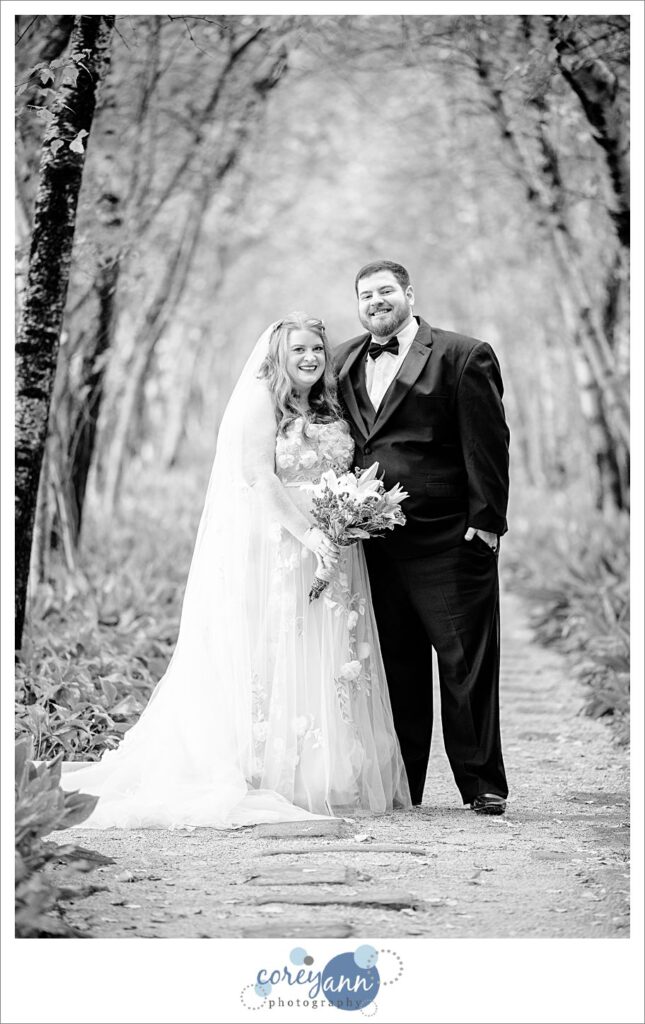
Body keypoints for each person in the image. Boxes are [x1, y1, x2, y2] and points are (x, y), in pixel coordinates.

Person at [60, 312, 411, 827]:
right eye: (299, 350)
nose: (311, 357)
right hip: (283, 542)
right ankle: (268, 771)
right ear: (278, 356)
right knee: (276, 643)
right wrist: (308, 534)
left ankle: (325, 772)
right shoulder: (260, 402)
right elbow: (258, 478)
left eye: (317, 348)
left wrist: (351, 516)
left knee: (329, 646)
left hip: (336, 542)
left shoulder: (330, 406)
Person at [334, 260, 510, 815]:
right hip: (373, 544)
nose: (376, 302)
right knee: (394, 667)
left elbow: (487, 442)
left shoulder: (463, 354)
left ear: (409, 293)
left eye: (386, 291)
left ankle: (482, 783)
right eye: (366, 295)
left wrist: (487, 523)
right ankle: (402, 783)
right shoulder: (340, 359)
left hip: (449, 538)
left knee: (465, 662)